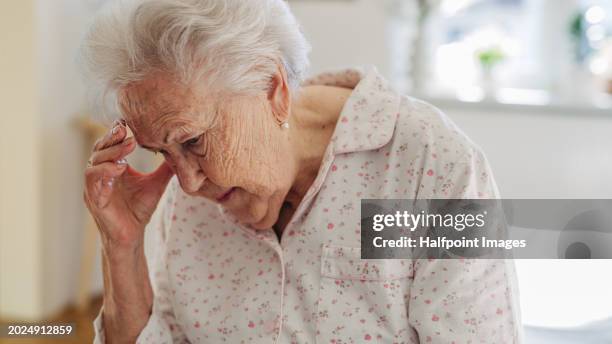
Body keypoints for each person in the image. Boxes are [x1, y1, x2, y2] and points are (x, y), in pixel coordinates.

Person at [81, 0, 522, 343]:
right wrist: (122, 247)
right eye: (161, 152)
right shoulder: (184, 200)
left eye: (194, 141)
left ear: (272, 90)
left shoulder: (433, 169)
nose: (189, 182)